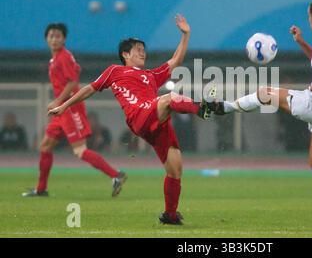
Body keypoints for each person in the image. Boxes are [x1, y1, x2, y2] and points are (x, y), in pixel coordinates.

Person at [48, 15, 214, 225]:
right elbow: (89, 89)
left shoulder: (151, 75)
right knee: (168, 99)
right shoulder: (115, 71)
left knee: (176, 168)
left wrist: (186, 34)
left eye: (143, 48)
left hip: (157, 121)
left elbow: (176, 61)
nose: (142, 51)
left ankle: (170, 215)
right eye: (137, 48)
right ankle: (202, 107)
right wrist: (63, 106)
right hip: (139, 117)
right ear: (125, 54)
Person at [211, 0, 312, 227]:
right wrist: (302, 42)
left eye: (309, 16)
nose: (308, 20)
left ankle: (226, 107)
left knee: (265, 93)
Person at [22, 23, 126, 198]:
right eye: (51, 36)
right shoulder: (56, 58)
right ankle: (41, 189)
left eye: (58, 36)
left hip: (70, 108)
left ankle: (116, 175)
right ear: (46, 38)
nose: (54, 39)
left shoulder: (63, 57)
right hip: (61, 110)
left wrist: (58, 101)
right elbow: (76, 70)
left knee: (79, 150)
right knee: (45, 146)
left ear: (64, 39)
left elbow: (72, 81)